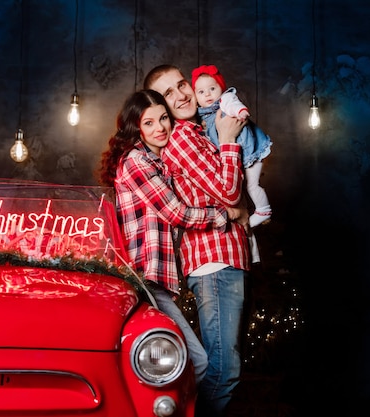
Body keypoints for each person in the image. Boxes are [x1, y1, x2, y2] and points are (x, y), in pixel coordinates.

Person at [97, 89, 242, 387]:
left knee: (163, 365)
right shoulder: (136, 161)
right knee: (196, 362)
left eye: (163, 118)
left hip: (157, 281)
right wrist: (225, 214)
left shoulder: (159, 163)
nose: (160, 128)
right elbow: (176, 213)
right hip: (144, 279)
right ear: (135, 127)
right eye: (148, 123)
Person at [144, 64, 250, 417]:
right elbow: (229, 192)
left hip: (221, 257)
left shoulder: (197, 131)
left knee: (222, 365)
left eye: (181, 85)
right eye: (168, 94)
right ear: (160, 108)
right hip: (214, 259)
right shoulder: (183, 138)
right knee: (223, 370)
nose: (182, 95)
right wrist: (231, 139)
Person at [191, 64, 273, 227]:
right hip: (236, 158)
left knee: (251, 185)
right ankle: (254, 209)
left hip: (251, 153)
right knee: (242, 187)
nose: (207, 94)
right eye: (201, 92)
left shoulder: (225, 101)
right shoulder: (202, 115)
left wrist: (240, 111)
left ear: (221, 88)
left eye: (212, 89)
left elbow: (234, 104)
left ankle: (264, 210)